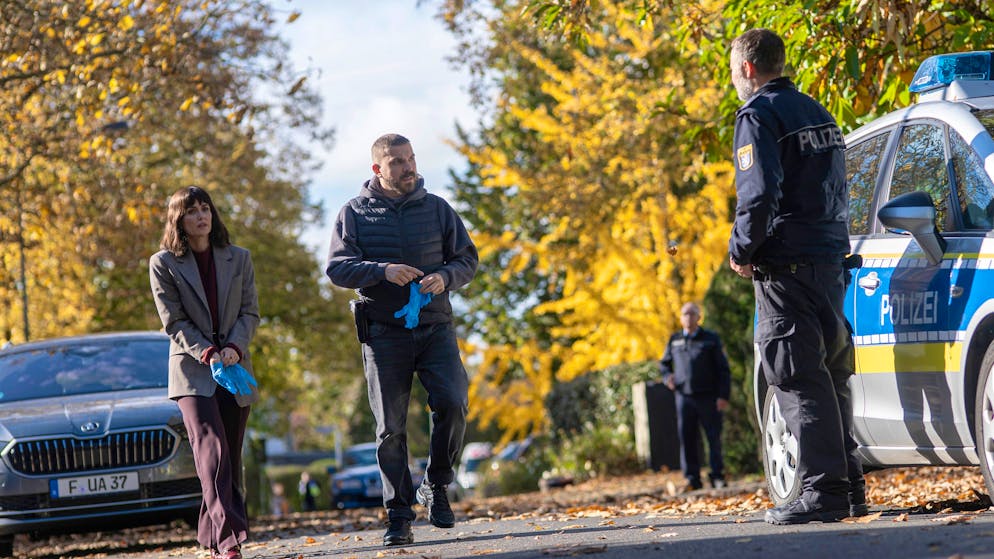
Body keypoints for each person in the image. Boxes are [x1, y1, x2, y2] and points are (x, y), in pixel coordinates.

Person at [726, 29, 865, 525]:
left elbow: (759, 194)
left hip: (786, 267)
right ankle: (849, 487)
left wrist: (742, 249)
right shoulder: (818, 112)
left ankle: (822, 492)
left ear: (747, 68)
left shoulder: (758, 115)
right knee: (831, 375)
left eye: (733, 71)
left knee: (797, 375)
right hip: (828, 260)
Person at [325, 133, 479, 546]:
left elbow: (467, 259)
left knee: (453, 402)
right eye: (397, 162)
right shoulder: (354, 213)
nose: (408, 167)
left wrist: (445, 276)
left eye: (410, 158)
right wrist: (382, 270)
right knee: (390, 429)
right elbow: (338, 268)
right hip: (382, 334)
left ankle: (437, 485)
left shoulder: (438, 208)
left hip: (435, 327)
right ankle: (398, 515)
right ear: (378, 169)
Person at [149, 186, 260, 559]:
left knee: (228, 457)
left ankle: (211, 536)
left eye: (205, 209)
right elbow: (173, 321)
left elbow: (250, 313)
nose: (201, 216)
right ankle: (229, 541)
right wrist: (208, 352)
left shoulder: (239, 258)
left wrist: (234, 348)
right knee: (212, 450)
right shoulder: (163, 263)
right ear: (178, 219)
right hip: (192, 371)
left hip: (235, 367)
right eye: (192, 211)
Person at [658, 302, 731, 492]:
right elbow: (664, 364)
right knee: (687, 439)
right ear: (681, 318)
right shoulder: (674, 340)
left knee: (713, 438)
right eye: (685, 314)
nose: (688, 317)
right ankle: (692, 479)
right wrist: (667, 378)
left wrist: (723, 395)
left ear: (699, 317)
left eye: (692, 313)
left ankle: (717, 476)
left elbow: (723, 369)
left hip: (708, 397)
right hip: (684, 397)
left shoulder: (710, 339)